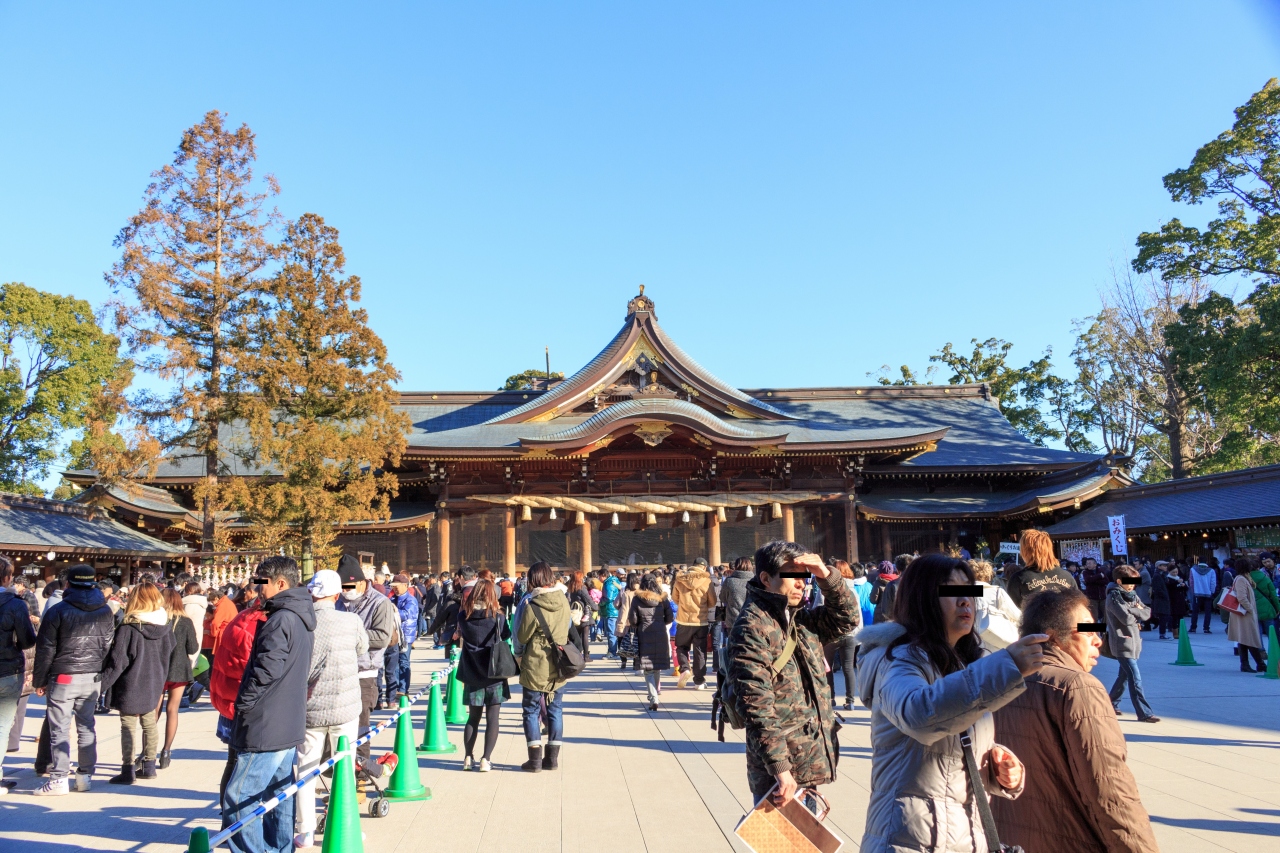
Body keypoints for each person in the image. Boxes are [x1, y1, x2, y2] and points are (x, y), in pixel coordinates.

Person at [855, 554, 1047, 852]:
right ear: (921, 600)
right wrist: (1007, 665)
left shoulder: (963, 660)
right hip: (909, 837)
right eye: (949, 591)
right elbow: (920, 715)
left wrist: (996, 764)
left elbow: (951, 741)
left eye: (969, 591)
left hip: (962, 831)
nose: (964, 601)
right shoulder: (897, 660)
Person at [991, 588, 1160, 852]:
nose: (1098, 641)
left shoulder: (994, 680)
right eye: (1088, 631)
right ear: (1054, 637)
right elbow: (1110, 791)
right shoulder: (1079, 687)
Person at [726, 541, 858, 806]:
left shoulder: (798, 618)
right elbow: (756, 705)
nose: (801, 583)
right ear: (766, 579)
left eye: (804, 575)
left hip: (805, 759)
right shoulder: (752, 626)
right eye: (792, 575)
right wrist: (780, 769)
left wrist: (826, 575)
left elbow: (847, 619)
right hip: (782, 773)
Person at [223, 556, 316, 853]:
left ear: (280, 583)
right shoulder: (299, 615)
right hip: (285, 719)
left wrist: (243, 704)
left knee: (239, 796)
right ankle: (279, 848)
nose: (257, 588)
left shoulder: (281, 619)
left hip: (266, 722)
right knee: (280, 795)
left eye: (262, 582)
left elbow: (266, 671)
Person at [295, 569, 369, 849]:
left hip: (310, 707)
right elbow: (362, 648)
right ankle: (346, 823)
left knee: (305, 768)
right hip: (344, 706)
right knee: (344, 766)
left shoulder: (302, 622)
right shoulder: (350, 620)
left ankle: (305, 829)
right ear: (337, 594)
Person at [31, 563, 114, 796]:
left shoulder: (58, 610)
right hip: (92, 674)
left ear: (68, 584)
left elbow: (46, 648)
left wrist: (40, 680)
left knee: (60, 727)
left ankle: (58, 778)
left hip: (64, 674)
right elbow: (107, 645)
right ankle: (85, 775)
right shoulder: (105, 611)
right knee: (86, 726)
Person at [99, 582, 176, 785]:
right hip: (155, 680)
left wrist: (101, 685)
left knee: (128, 725)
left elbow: (118, 661)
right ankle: (149, 766)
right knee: (150, 723)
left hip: (130, 681)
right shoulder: (166, 627)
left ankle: (127, 769)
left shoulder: (129, 628)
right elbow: (171, 652)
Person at [334, 553, 399, 781]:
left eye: (349, 585)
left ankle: (360, 784)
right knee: (338, 732)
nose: (345, 590)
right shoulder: (337, 602)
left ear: (362, 582)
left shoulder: (380, 603)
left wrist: (348, 633)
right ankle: (341, 782)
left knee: (360, 731)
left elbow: (382, 637)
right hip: (339, 673)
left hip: (365, 675)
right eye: (342, 586)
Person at [209, 584, 268, 802]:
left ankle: (227, 813)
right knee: (246, 766)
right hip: (245, 704)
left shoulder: (242, 616)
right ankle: (237, 816)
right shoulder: (261, 625)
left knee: (233, 761)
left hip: (229, 700)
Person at [514, 561, 570, 772]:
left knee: (530, 710)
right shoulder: (563, 600)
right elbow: (569, 627)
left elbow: (522, 636)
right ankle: (552, 759)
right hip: (559, 663)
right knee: (556, 709)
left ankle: (535, 760)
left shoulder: (532, 603)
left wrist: (519, 656)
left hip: (535, 663)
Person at [456, 578, 511, 772]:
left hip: (471, 671)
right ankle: (486, 759)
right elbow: (506, 635)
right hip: (494, 672)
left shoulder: (463, 616)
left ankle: (467, 757)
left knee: (473, 718)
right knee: (492, 718)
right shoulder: (498, 617)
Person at [0, 556, 37, 795]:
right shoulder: (15, 604)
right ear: (8, 577)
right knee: (2, 726)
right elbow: (27, 641)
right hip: (7, 670)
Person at [153, 588, 199, 769]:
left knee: (154, 711)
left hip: (159, 669)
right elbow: (193, 648)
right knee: (173, 710)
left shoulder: (157, 619)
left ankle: (147, 751)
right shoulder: (185, 622)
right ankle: (166, 751)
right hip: (179, 670)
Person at [1106, 565, 1159, 722]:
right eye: (1129, 582)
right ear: (1119, 581)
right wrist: (1137, 611)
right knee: (1135, 677)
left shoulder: (1132, 595)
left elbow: (1148, 612)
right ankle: (1144, 712)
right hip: (1122, 641)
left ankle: (1111, 703)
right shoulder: (1114, 597)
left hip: (1134, 641)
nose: (1133, 585)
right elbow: (1126, 619)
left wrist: (1136, 611)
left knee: (1124, 675)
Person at [629, 573, 673, 711]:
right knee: (657, 665)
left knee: (648, 669)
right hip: (660, 633)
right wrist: (660, 623)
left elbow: (633, 619)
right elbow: (670, 617)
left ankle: (653, 698)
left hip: (644, 633)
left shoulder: (637, 599)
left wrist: (640, 625)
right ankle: (656, 694)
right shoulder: (663, 598)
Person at [1004, 529, 1077, 609]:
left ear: (1025, 551)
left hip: (1033, 621)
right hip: (1066, 620)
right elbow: (1079, 607)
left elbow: (1011, 612)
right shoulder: (1067, 576)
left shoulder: (1019, 578)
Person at [671, 563, 717, 690]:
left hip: (683, 620)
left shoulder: (680, 580)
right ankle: (699, 681)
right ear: (703, 568)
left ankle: (685, 668)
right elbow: (712, 601)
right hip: (700, 621)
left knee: (681, 646)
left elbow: (675, 599)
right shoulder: (706, 581)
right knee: (700, 651)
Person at [826, 560, 864, 711]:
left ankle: (831, 698)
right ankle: (850, 701)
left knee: (828, 667)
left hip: (831, 633)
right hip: (850, 634)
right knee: (848, 668)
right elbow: (858, 614)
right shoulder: (853, 590)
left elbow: (818, 607)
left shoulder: (827, 589)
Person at [971, 560, 1022, 651]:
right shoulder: (996, 592)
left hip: (970, 647)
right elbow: (1018, 616)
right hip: (994, 647)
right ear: (988, 576)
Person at [389, 573, 419, 700]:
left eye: (397, 586)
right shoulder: (392, 599)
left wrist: (394, 610)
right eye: (393, 586)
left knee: (404, 662)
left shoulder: (411, 600)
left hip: (406, 636)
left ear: (405, 586)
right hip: (395, 635)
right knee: (394, 662)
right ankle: (395, 688)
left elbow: (406, 614)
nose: (395, 588)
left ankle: (403, 689)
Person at [1245, 555, 1280, 652]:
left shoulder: (1245, 579)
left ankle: (1261, 651)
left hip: (1253, 609)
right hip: (1267, 608)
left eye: (1268, 561)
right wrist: (1277, 608)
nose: (1267, 564)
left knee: (1257, 631)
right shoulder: (1264, 577)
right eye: (1264, 563)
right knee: (1272, 631)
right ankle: (1275, 650)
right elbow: (1273, 595)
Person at [1188, 562, 1220, 633]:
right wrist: (1212, 592)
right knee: (1207, 612)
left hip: (1197, 593)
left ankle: (1193, 627)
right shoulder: (1211, 571)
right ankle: (1206, 628)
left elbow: (1191, 582)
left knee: (1195, 611)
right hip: (1208, 594)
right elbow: (1213, 582)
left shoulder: (1193, 570)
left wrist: (1194, 591)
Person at [599, 568, 624, 659]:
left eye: (599, 576)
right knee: (613, 632)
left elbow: (608, 598)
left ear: (603, 575)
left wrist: (600, 602)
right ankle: (613, 650)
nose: (598, 578)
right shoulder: (613, 581)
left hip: (610, 610)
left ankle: (612, 652)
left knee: (611, 633)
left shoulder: (608, 584)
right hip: (613, 610)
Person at [1150, 561, 1172, 639]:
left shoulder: (1162, 575)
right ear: (1159, 566)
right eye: (1164, 566)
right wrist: (1165, 595)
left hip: (1162, 599)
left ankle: (1162, 633)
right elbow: (1158, 589)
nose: (1166, 567)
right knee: (1163, 616)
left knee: (1164, 616)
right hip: (1160, 599)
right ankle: (1162, 634)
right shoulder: (1157, 576)